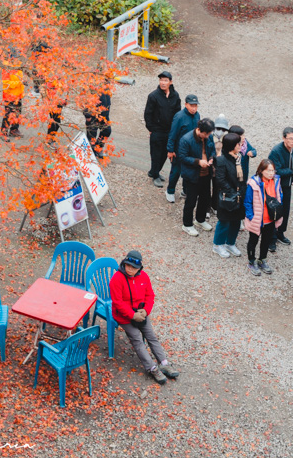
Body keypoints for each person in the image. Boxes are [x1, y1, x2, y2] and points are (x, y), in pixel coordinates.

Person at [109, 250, 180, 385]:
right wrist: (132, 315)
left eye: (133, 268)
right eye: (127, 266)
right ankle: (152, 368)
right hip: (124, 317)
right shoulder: (116, 279)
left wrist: (145, 311)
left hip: (141, 314)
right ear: (124, 264)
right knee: (137, 340)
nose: (130, 269)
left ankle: (164, 363)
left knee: (151, 336)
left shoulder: (144, 277)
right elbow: (117, 302)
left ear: (139, 268)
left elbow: (150, 296)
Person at [245, 159, 283, 276]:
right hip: (258, 219)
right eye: (268, 171)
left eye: (273, 170)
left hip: (270, 218)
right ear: (261, 171)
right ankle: (251, 261)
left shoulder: (276, 180)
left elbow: (279, 195)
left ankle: (262, 259)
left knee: (266, 240)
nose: (271, 173)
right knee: (253, 240)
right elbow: (248, 201)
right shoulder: (254, 183)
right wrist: (251, 217)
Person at [179, 117, 216, 236]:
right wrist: (198, 162)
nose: (208, 136)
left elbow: (213, 151)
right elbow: (182, 157)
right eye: (206, 134)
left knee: (205, 198)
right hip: (192, 175)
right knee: (191, 201)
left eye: (209, 133)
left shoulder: (209, 136)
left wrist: (211, 158)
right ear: (199, 130)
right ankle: (187, 224)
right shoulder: (186, 139)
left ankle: (200, 220)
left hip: (206, 174)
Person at [144, 71, 181, 188]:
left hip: (169, 131)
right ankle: (155, 175)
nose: (163, 83)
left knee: (165, 153)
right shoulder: (153, 96)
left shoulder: (175, 96)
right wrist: (150, 128)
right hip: (157, 130)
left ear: (170, 82)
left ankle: (154, 171)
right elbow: (147, 114)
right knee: (156, 153)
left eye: (165, 80)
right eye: (161, 80)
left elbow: (177, 112)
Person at [213, 132, 246, 258]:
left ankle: (230, 243)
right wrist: (233, 192)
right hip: (228, 196)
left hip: (239, 195)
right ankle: (218, 244)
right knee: (224, 221)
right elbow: (220, 180)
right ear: (232, 145)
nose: (240, 145)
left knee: (236, 221)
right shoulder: (221, 160)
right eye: (238, 143)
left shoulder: (237, 158)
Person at [165, 95, 200, 203]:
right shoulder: (179, 116)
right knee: (176, 171)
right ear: (186, 104)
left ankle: (185, 191)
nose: (194, 108)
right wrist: (170, 150)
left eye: (195, 106)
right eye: (191, 105)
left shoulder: (197, 115)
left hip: (192, 150)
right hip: (179, 150)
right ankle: (170, 191)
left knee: (189, 172)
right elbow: (172, 134)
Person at [268, 126, 293, 249]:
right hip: (276, 186)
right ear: (284, 138)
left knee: (285, 210)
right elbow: (275, 170)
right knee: (275, 210)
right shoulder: (276, 151)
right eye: (290, 139)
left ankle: (280, 233)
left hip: (288, 185)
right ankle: (271, 238)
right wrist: (291, 172)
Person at [1, 58, 25, 138]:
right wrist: (19, 83)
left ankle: (14, 130)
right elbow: (6, 83)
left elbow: (20, 78)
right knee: (8, 115)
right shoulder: (6, 68)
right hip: (9, 96)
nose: (17, 58)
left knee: (17, 114)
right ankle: (3, 133)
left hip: (18, 95)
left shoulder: (18, 65)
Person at [83, 91, 112, 156]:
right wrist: (87, 115)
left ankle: (98, 149)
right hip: (93, 116)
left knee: (107, 131)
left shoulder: (107, 85)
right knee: (91, 135)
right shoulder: (94, 83)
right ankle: (90, 154)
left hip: (104, 116)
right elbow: (85, 101)